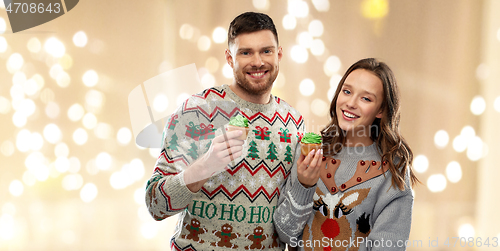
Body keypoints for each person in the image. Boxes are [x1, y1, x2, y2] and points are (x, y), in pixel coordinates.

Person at [145, 12, 305, 250]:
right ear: (230, 59)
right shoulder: (197, 111)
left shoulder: (294, 122)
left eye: (266, 51)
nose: (258, 61)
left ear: (279, 54)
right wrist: (204, 166)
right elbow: (155, 205)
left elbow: (289, 224)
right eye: (245, 52)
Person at [273, 58, 419, 251]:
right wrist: (304, 186)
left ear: (381, 110)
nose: (350, 103)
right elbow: (285, 234)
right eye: (347, 91)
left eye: (366, 98)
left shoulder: (393, 170)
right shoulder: (308, 151)